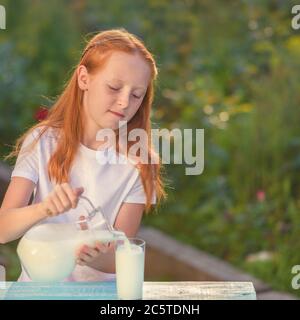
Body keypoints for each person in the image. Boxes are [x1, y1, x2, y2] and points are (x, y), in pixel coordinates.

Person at [0, 28, 166, 282]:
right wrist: (43, 209)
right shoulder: (43, 142)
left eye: (136, 95)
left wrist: (93, 254)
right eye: (114, 87)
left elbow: (122, 256)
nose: (124, 102)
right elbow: (3, 230)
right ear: (84, 79)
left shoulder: (139, 162)